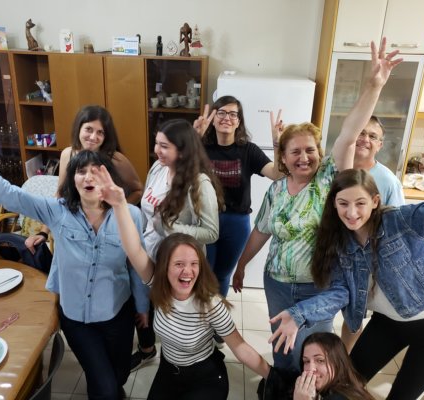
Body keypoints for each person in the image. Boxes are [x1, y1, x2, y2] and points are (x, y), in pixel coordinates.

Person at [232, 38, 402, 373]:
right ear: (283, 158)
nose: (304, 157)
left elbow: (350, 133)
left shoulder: (330, 179)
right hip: (277, 282)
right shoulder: (278, 189)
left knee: (317, 354)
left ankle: (311, 393)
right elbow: (261, 231)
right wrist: (241, 266)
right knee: (283, 347)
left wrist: (374, 84)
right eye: (294, 151)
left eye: (310, 150)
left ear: (319, 153)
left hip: (319, 285)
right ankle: (284, 387)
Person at [0, 117, 148, 399]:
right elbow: (7, 193)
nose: (89, 176)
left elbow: (135, 264)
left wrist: (142, 306)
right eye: (82, 171)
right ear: (73, 179)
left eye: (97, 171)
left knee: (118, 376)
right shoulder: (57, 211)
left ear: (111, 179)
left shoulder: (130, 215)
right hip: (77, 319)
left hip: (117, 313)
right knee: (104, 387)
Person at [92, 165, 271, 399]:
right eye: (179, 264)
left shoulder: (211, 304)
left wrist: (275, 376)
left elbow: (240, 348)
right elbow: (134, 249)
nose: (188, 272)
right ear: (165, 267)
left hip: (206, 378)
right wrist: (118, 205)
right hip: (169, 372)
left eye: (194, 264)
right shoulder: (158, 284)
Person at [270, 168, 424, 399]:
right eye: (343, 203)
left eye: (360, 203)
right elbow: (340, 293)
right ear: (334, 204)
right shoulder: (340, 242)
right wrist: (299, 314)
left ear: (375, 201)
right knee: (340, 389)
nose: (352, 212)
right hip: (385, 325)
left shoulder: (399, 220)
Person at [130, 118, 224, 371]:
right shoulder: (158, 169)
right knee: (147, 306)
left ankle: (195, 360)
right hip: (150, 255)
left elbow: (211, 232)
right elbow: (148, 213)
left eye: (164, 146)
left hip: (179, 264)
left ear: (181, 151)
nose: (157, 151)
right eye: (157, 144)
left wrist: (171, 228)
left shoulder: (200, 183)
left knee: (181, 317)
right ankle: (150, 351)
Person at [193, 95, 282, 300]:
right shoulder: (201, 148)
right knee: (204, 274)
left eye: (233, 114)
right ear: (213, 119)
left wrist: (277, 143)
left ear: (239, 121)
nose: (227, 118)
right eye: (221, 113)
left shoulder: (248, 150)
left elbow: (276, 174)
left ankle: (216, 321)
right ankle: (201, 319)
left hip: (236, 222)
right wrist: (194, 137)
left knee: (222, 275)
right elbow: (178, 168)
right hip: (205, 219)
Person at [24, 105, 143, 253]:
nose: (93, 137)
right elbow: (60, 195)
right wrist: (43, 232)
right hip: (76, 229)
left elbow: (138, 189)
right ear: (79, 129)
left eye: (100, 132)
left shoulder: (115, 158)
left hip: (109, 230)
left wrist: (117, 211)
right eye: (89, 129)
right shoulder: (68, 155)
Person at [341, 114, 405, 352]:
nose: (365, 139)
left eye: (372, 136)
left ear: (379, 144)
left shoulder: (387, 182)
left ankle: (344, 362)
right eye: (361, 132)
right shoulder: (335, 169)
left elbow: (396, 228)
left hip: (366, 262)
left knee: (354, 318)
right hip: (333, 256)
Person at [294, 332, 374, 400]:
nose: (311, 369)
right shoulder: (349, 389)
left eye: (320, 360)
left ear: (337, 363)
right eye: (306, 361)